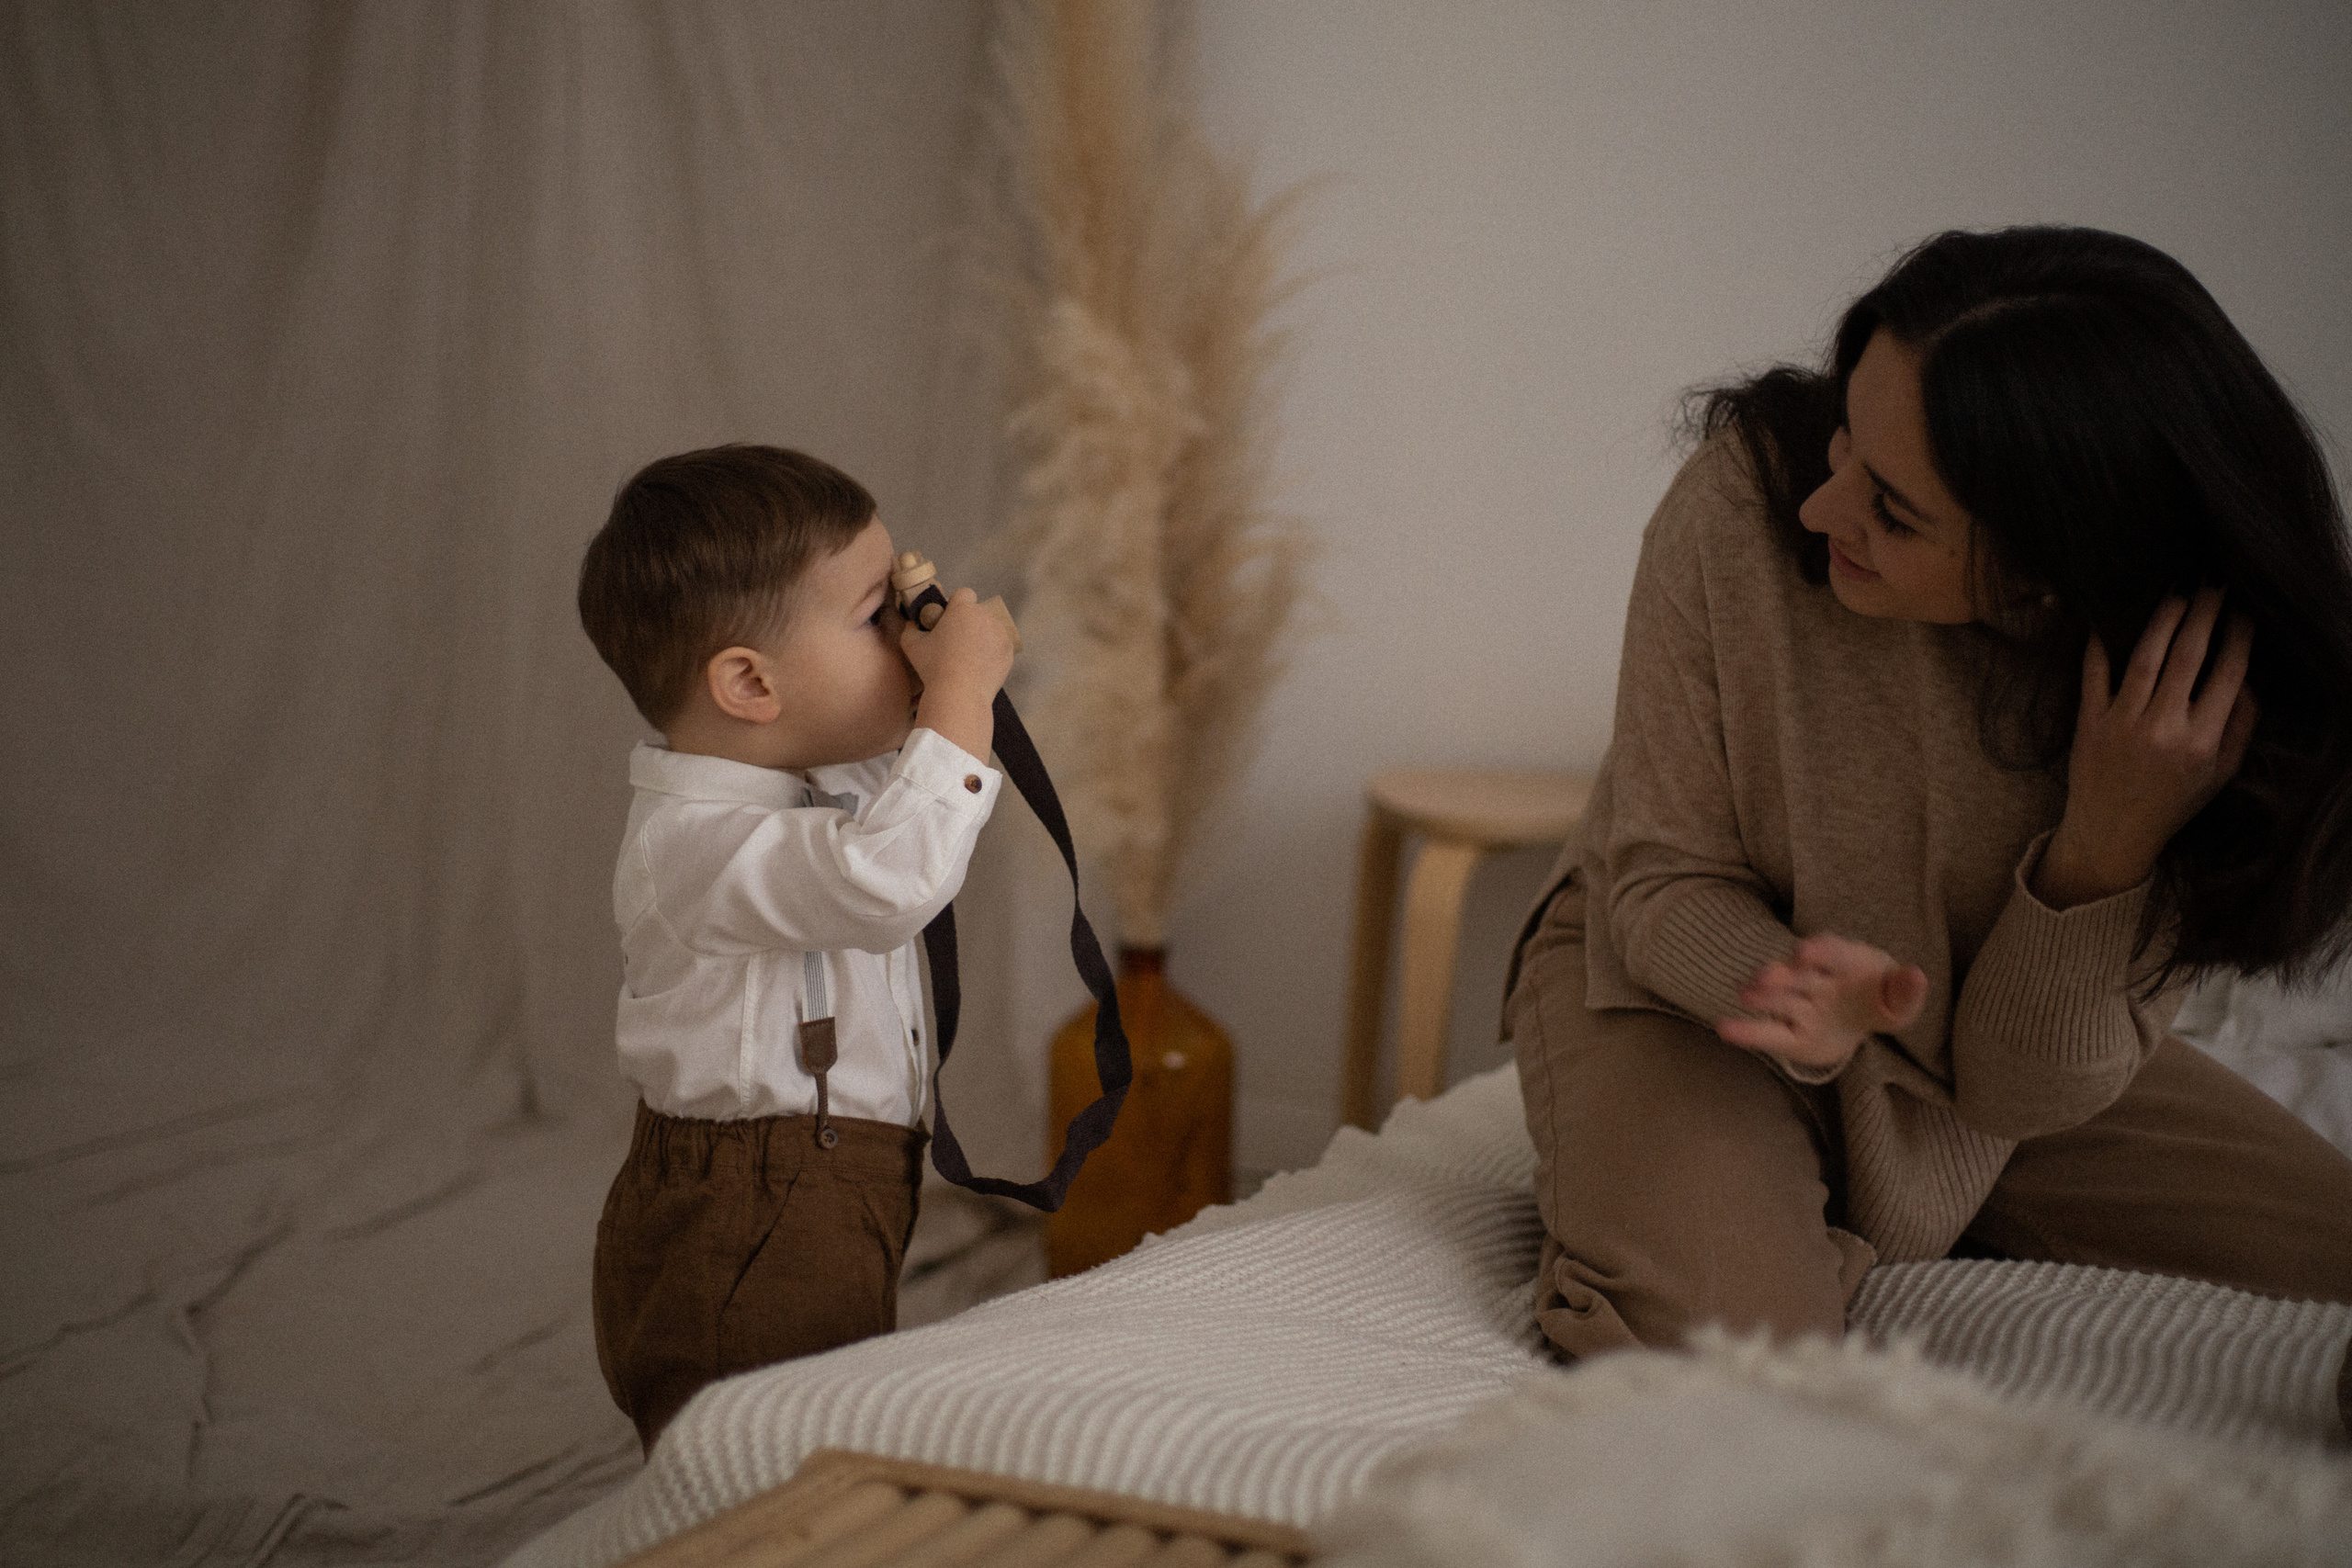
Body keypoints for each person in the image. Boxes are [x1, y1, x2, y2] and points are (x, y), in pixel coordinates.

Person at [1508, 226, 2352, 1426]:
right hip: (1693, 994)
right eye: (1847, 435)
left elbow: (2018, 1088)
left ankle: (1834, 1211)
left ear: (2053, 572)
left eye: (1891, 509)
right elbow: (1659, 885)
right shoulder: (1740, 503)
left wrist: (2105, 846)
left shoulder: (2200, 714)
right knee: (1741, 1376)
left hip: (1993, 1055)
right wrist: (1798, 985)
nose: (1820, 501)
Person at [575, 444, 1016, 1451]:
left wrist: (930, 664)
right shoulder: (691, 847)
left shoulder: (809, 780)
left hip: (825, 1185)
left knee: (818, 1429)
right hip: (747, 1211)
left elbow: (903, 798)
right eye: (877, 617)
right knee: (754, 1462)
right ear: (748, 684)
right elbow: (892, 877)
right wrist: (963, 695)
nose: (905, 637)